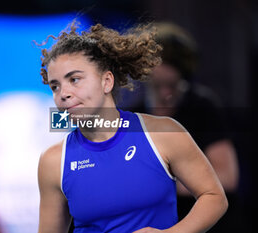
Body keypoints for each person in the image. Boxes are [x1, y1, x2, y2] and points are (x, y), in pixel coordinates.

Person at [37, 21, 228, 233]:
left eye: (74, 79)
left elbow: (214, 196)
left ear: (107, 81)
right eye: (55, 86)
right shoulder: (53, 162)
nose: (63, 93)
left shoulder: (163, 133)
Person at [121, 22, 240, 232]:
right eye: (160, 87)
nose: (167, 94)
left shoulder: (203, 106)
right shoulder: (133, 115)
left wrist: (162, 184)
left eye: (172, 85)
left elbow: (227, 178)